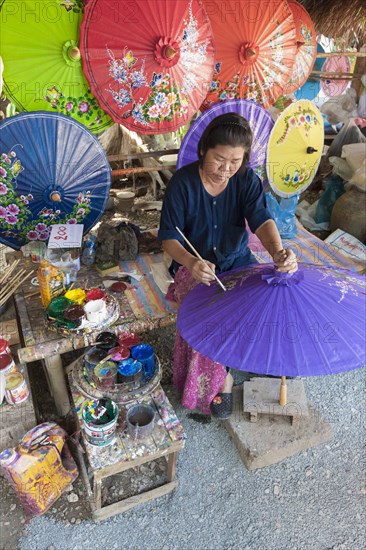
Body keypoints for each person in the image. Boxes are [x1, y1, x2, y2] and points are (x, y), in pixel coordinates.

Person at [158, 113, 297, 419]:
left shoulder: (246, 180)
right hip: (195, 268)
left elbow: (260, 218)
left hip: (237, 260)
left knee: (276, 291)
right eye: (219, 159)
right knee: (204, 315)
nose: (226, 168)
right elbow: (169, 238)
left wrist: (277, 251)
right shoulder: (182, 184)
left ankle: (265, 359)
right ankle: (223, 379)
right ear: (204, 150)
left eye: (235, 161)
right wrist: (192, 262)